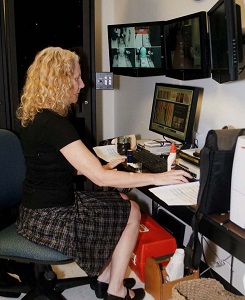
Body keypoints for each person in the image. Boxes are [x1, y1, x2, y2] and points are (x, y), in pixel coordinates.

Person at [16, 46, 191, 300]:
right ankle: (116, 291)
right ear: (60, 81)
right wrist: (158, 177)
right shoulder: (55, 125)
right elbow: (100, 180)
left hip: (34, 213)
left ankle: (105, 279)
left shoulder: (36, 117)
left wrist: (102, 168)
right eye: (76, 78)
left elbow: (55, 166)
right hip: (55, 219)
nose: (81, 83)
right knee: (131, 210)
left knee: (120, 201)